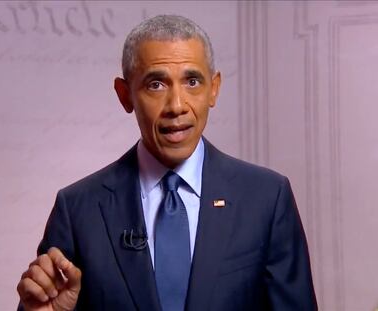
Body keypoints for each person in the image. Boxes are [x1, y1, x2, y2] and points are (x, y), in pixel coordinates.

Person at [17, 15, 317, 311]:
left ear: (214, 89)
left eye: (192, 81)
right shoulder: (78, 209)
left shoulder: (266, 198)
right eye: (156, 85)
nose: (176, 106)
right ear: (125, 95)